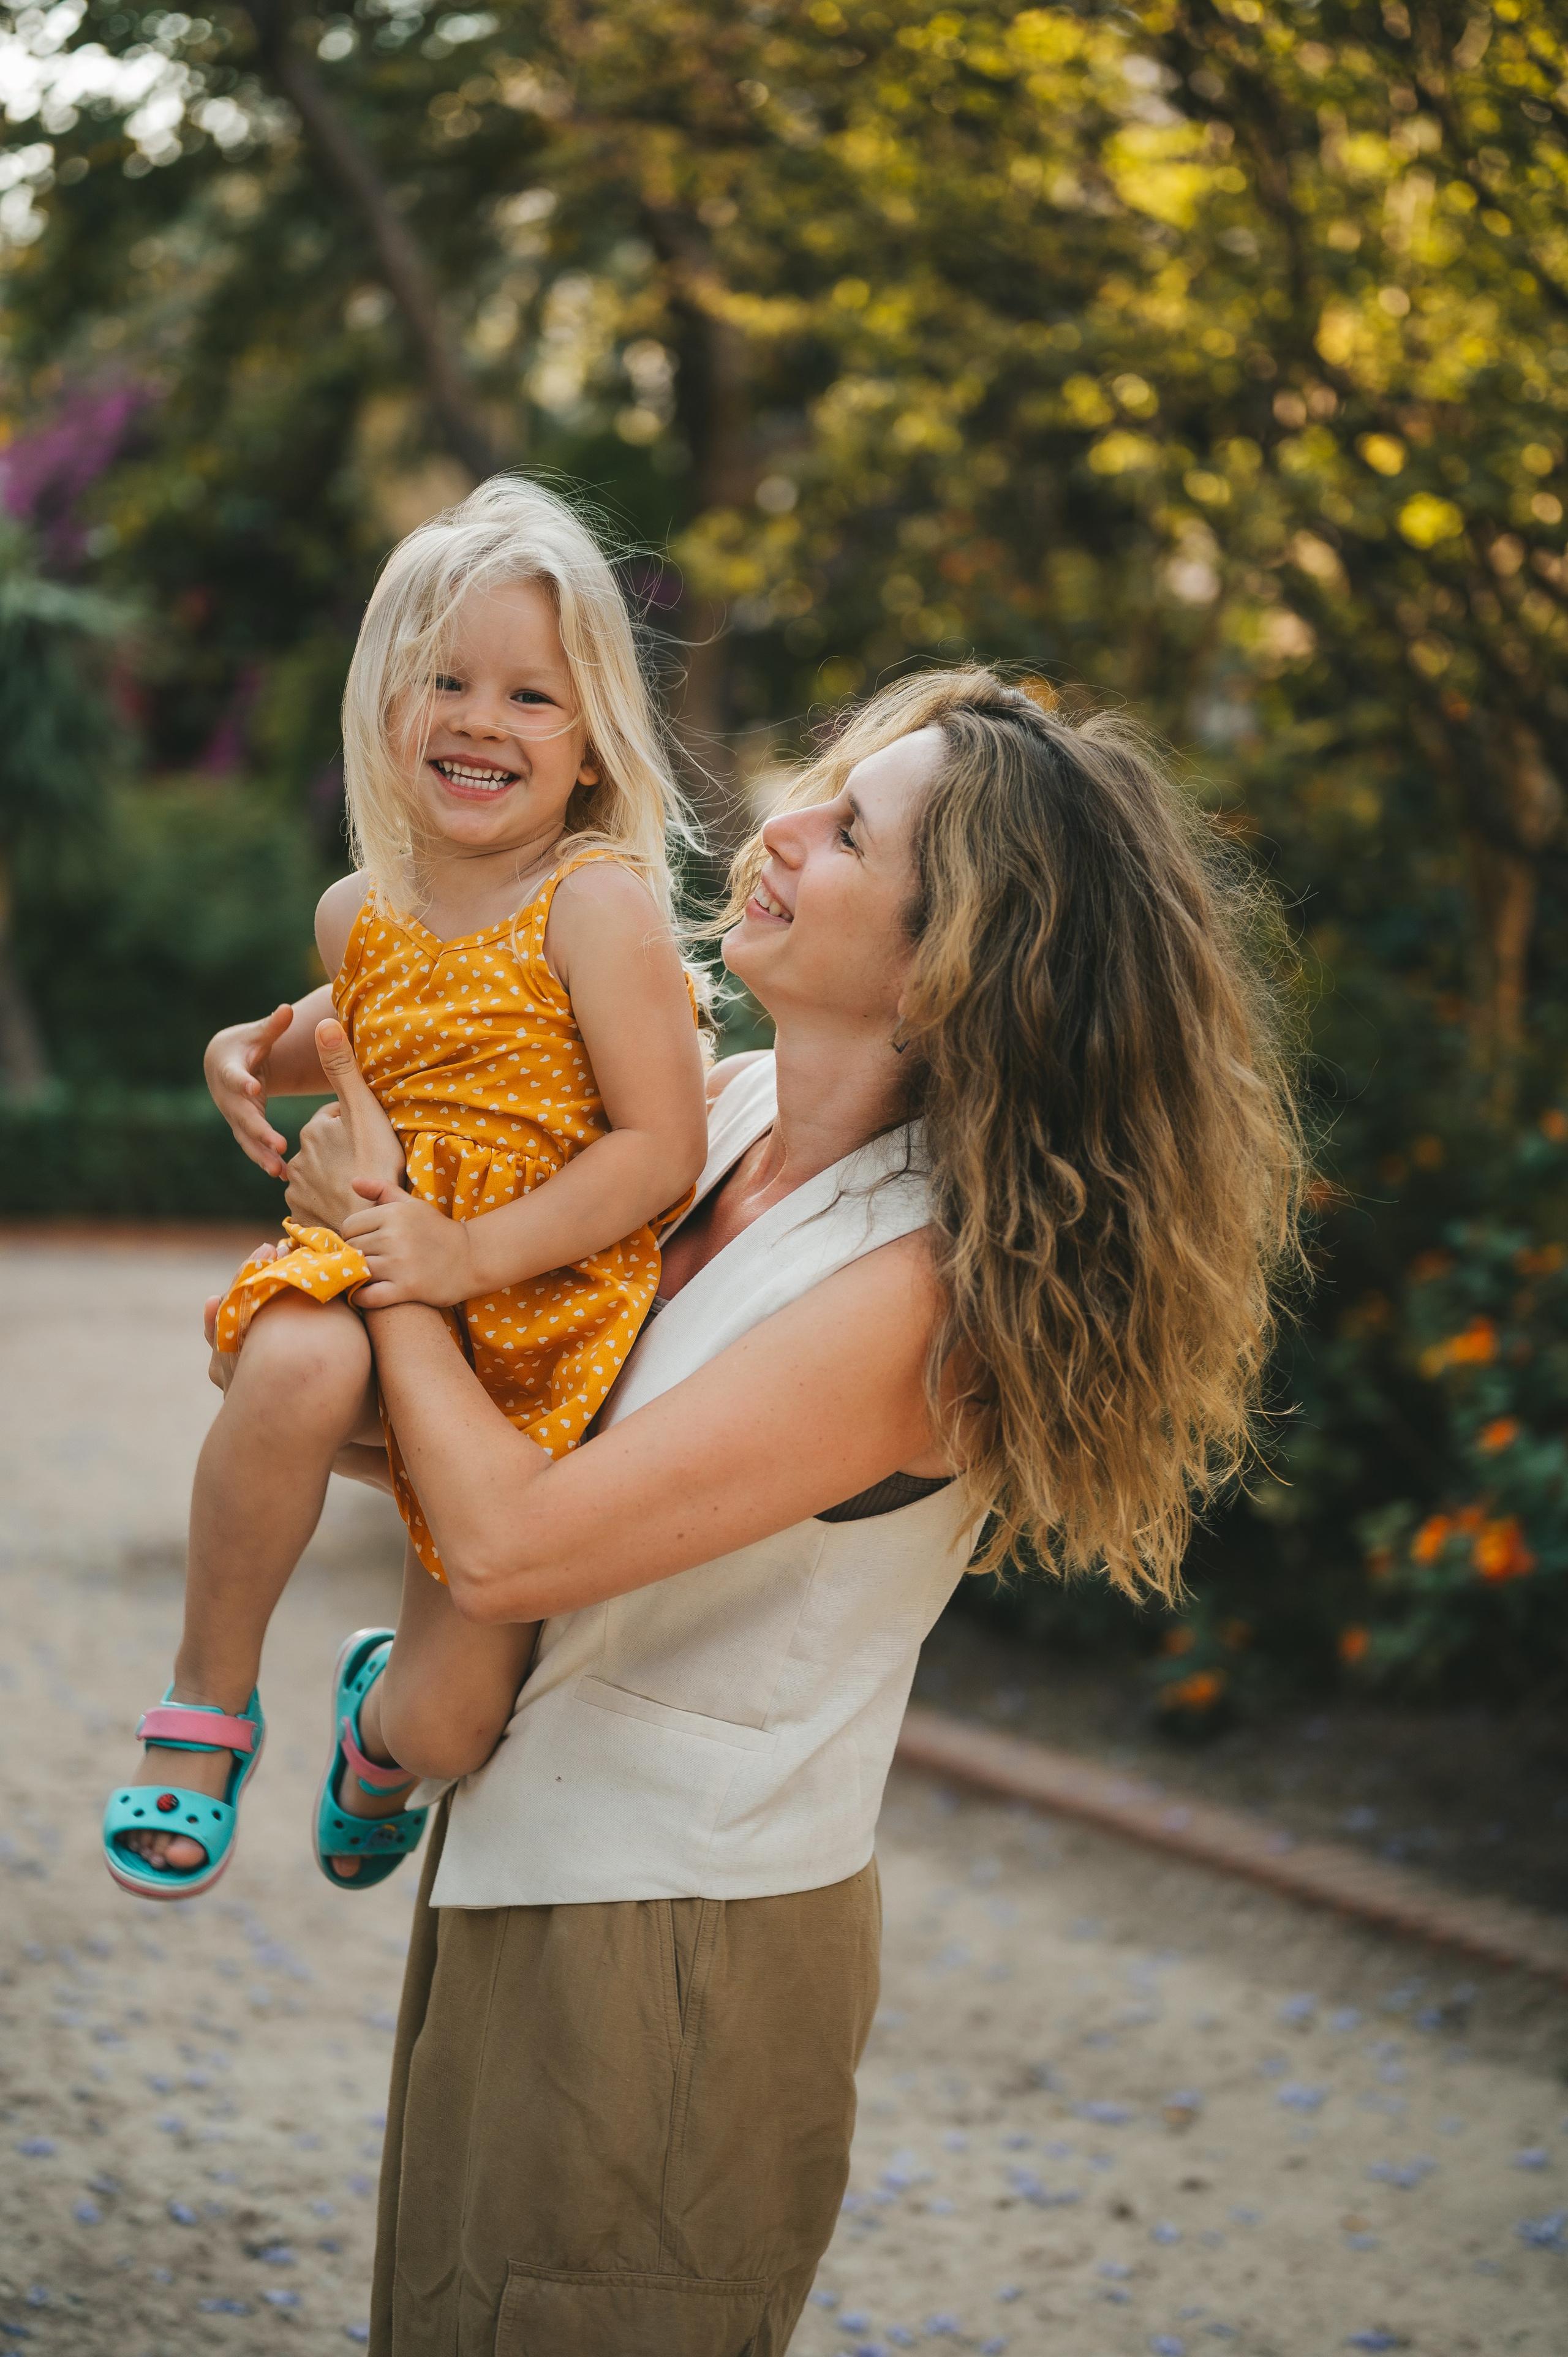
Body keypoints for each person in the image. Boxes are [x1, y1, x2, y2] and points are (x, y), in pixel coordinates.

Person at [280, 665, 1307, 2356]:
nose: (782, 827)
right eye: (818, 794)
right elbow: (492, 1426)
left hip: (678, 1949)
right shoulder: (717, 1121)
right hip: (519, 1864)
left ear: (959, 955)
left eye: (849, 833)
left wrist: (387, 1249)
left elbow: (520, 1538)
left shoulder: (925, 1296)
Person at [102, 476, 709, 1901]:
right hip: (373, 1260)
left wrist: (469, 1252)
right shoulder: (359, 908)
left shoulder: (592, 902)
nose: (480, 720)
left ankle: (378, 1724)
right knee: (294, 1361)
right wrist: (252, 1047)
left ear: (591, 740)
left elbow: (657, 1148)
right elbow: (373, 1024)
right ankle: (206, 1699)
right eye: (445, 680)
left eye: (530, 697)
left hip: (528, 1300)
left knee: (450, 1727)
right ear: (385, 702)